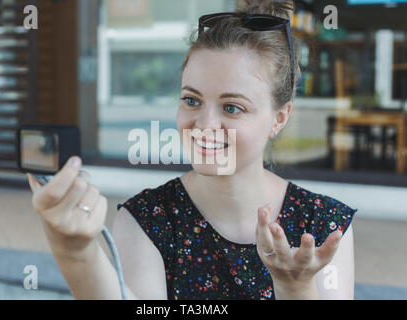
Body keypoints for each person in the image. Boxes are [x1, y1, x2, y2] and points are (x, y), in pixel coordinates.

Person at [27, 0, 357, 300]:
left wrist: (295, 287)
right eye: (192, 100)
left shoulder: (324, 225)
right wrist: (74, 251)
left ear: (279, 118)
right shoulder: (149, 220)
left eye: (232, 107)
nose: (203, 124)